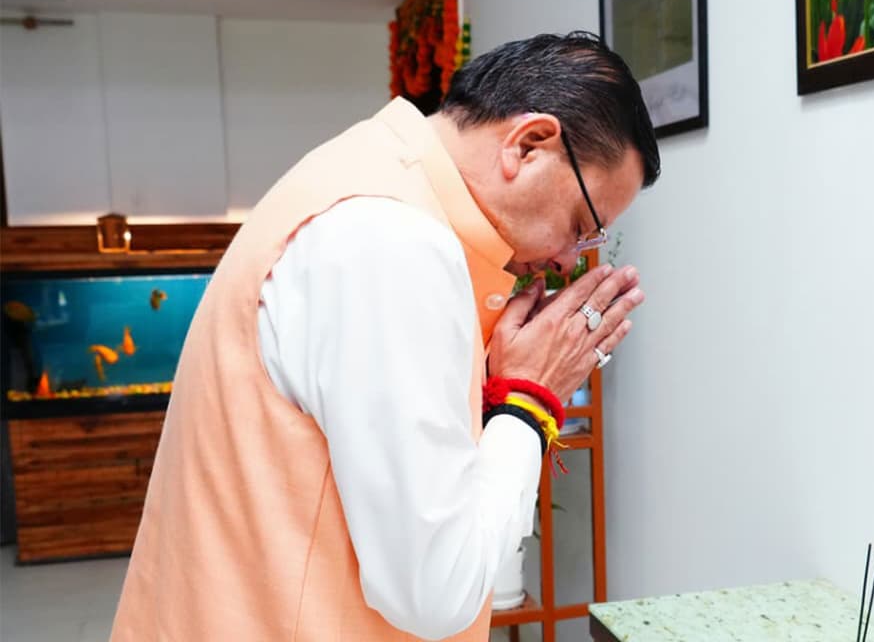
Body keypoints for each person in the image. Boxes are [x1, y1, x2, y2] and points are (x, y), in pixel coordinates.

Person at [110, 32, 660, 641]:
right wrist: (530, 398)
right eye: (581, 225)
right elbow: (436, 592)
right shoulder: (394, 243)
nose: (568, 261)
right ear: (528, 145)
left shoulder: (366, 175)